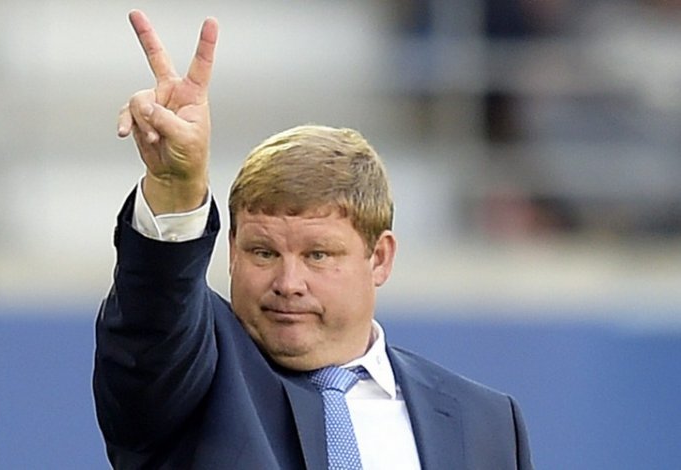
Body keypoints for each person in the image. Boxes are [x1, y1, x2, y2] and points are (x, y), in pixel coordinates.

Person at [93, 9, 534, 470]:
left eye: (318, 255)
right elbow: (153, 317)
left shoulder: (484, 423)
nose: (288, 283)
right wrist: (176, 187)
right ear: (232, 254)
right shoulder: (190, 377)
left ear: (380, 258)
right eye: (264, 252)